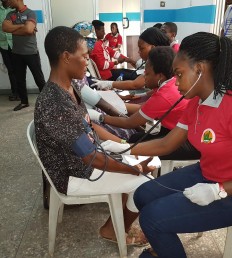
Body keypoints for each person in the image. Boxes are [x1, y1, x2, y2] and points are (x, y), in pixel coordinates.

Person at [101, 32, 232, 257]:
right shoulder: (197, 101)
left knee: (152, 219)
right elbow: (166, 144)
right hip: (209, 173)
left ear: (200, 69)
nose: (175, 82)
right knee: (143, 195)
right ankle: (162, 246)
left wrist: (219, 190)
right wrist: (124, 147)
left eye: (179, 74)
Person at [35, 26, 157, 246]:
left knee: (134, 161)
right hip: (73, 175)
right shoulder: (55, 104)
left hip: (84, 161)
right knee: (145, 182)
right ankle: (112, 229)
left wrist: (123, 147)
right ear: (65, 57)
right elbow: (91, 158)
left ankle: (119, 220)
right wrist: (134, 168)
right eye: (84, 56)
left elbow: (88, 127)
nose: (88, 61)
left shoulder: (68, 87)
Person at [92, 27, 170, 93]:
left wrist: (109, 84)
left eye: (141, 48)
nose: (139, 52)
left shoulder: (157, 65)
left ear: (153, 48)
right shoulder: (101, 44)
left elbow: (135, 84)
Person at [2, 0, 46, 111]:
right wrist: (23, 26)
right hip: (16, 52)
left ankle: (47, 102)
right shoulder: (10, 14)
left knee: (39, 79)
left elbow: (29, 29)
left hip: (31, 52)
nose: (7, 3)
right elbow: (5, 28)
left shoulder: (30, 13)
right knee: (20, 80)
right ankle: (24, 102)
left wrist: (16, 28)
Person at [0, 0, 18, 101]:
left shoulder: (15, 9)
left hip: (15, 43)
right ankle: (15, 92)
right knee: (10, 70)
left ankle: (21, 92)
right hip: (3, 45)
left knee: (18, 69)